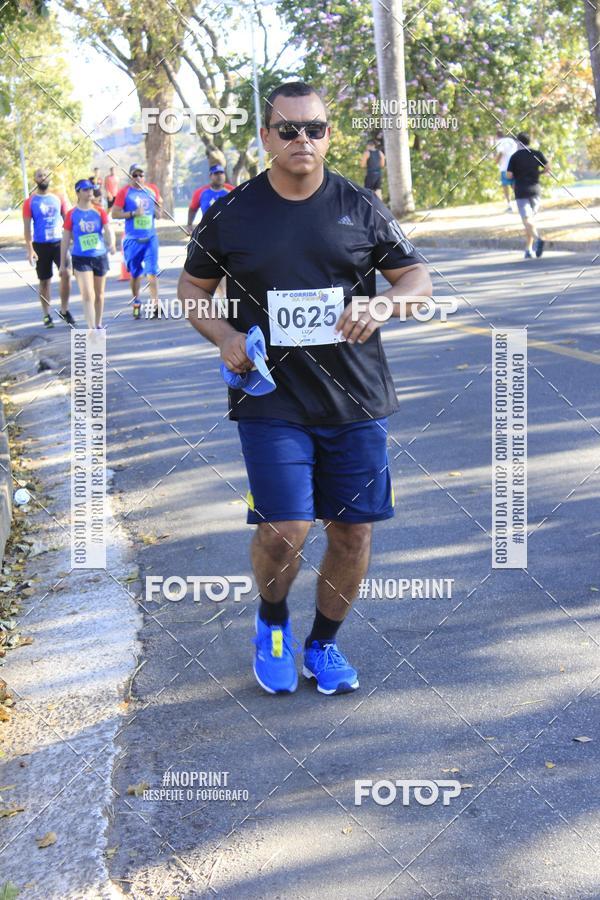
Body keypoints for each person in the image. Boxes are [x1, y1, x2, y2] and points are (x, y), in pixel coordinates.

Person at [179, 81, 432, 697]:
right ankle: (271, 625)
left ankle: (322, 644)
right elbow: (190, 293)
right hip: (271, 399)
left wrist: (384, 304)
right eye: (287, 129)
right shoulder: (231, 213)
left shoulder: (360, 206)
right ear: (265, 137)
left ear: (328, 134)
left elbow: (417, 279)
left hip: (356, 399)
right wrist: (225, 338)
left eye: (313, 128)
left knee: (352, 532)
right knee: (285, 527)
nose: (302, 139)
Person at [60, 179, 116, 330]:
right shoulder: (72, 214)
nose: (90, 191)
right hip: (80, 257)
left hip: (99, 256)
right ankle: (90, 327)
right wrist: (61, 263)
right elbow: (65, 239)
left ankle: (97, 323)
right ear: (78, 192)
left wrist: (111, 243)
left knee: (99, 294)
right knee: (87, 294)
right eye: (85, 189)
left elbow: (108, 229)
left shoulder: (99, 211)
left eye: (91, 188)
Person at [22, 167, 75, 328]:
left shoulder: (58, 198)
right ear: (35, 180)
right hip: (40, 244)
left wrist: (74, 239)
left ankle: (64, 310)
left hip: (59, 242)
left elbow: (67, 221)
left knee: (66, 274)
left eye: (45, 175)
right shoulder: (30, 202)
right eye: (40, 175)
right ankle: (46, 314)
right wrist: (30, 249)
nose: (43, 177)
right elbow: (26, 228)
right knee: (44, 281)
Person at [111, 163, 163, 318]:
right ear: (130, 177)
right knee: (135, 274)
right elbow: (115, 214)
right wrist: (133, 213)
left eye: (141, 175)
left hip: (150, 238)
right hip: (133, 240)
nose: (138, 178)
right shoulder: (124, 193)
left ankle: (155, 305)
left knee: (152, 272)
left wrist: (158, 212)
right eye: (135, 175)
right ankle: (136, 300)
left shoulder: (151, 191)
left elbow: (159, 208)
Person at [506, 132, 549, 259]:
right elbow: (548, 167)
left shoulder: (514, 157)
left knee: (527, 220)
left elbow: (508, 175)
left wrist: (514, 178)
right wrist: (538, 173)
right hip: (535, 190)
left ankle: (538, 240)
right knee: (530, 221)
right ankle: (528, 249)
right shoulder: (537, 154)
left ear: (518, 143)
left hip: (521, 191)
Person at [186, 164, 234, 232]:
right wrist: (189, 225)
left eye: (222, 173)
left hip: (228, 229)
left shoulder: (233, 191)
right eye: (216, 173)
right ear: (210, 176)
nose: (219, 176)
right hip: (208, 229)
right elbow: (193, 209)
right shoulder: (200, 192)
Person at [495, 128, 518, 212]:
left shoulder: (500, 142)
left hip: (505, 167)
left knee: (505, 186)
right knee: (514, 185)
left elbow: (500, 152)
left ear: (497, 136)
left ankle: (509, 205)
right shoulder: (511, 141)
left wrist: (496, 161)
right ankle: (520, 202)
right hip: (515, 165)